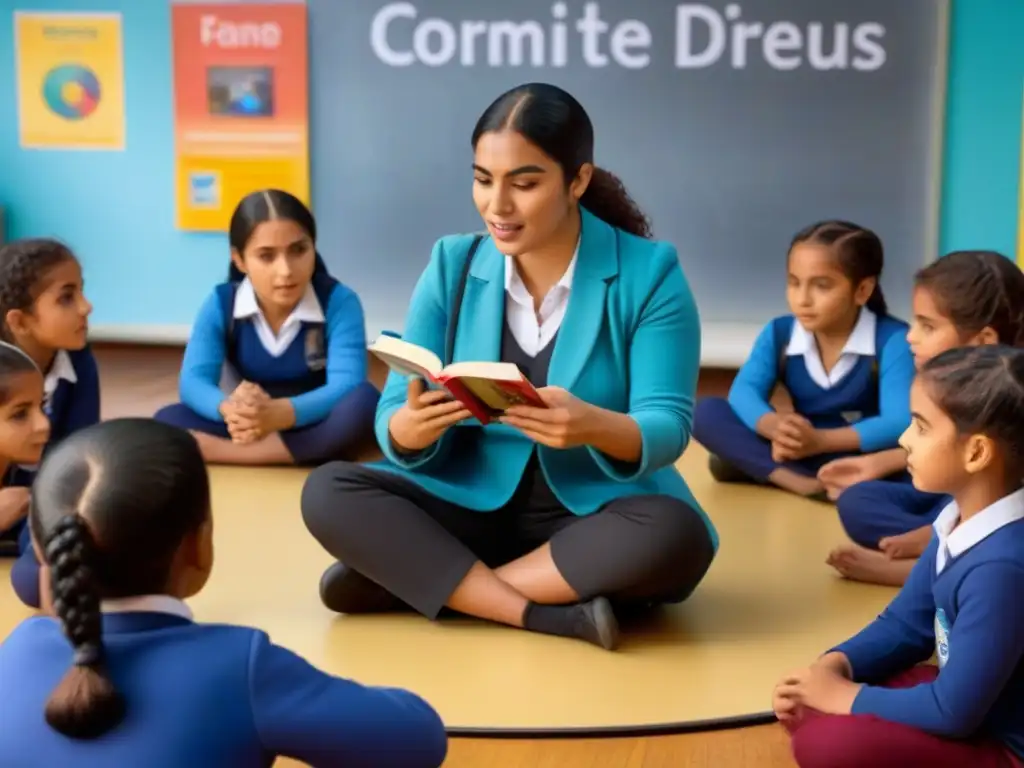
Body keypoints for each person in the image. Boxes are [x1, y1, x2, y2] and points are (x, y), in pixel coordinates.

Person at [301, 82, 718, 651]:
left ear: (578, 181)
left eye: (524, 183)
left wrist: (593, 425)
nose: (498, 205)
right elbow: (397, 406)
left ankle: (425, 584)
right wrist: (407, 429)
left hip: (588, 512)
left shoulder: (650, 275)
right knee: (327, 490)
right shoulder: (452, 263)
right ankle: (543, 613)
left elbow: (667, 425)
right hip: (468, 500)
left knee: (678, 536)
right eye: (482, 179)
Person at [0, 418, 449, 767]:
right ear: (199, 546)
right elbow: (419, 740)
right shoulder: (240, 665)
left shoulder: (15, 652)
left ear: (43, 552)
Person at [773, 344, 1024, 768]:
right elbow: (906, 624)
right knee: (814, 704)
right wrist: (836, 664)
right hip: (968, 701)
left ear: (977, 452)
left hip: (1004, 745)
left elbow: (953, 712)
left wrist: (842, 696)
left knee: (826, 744)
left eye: (921, 427)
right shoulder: (954, 518)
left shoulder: (1003, 568)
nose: (904, 439)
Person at [825, 251, 1024, 585]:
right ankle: (942, 551)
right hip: (955, 495)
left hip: (1004, 513)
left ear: (984, 341)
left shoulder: (1013, 392)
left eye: (928, 326)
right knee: (858, 500)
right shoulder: (944, 384)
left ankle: (927, 568)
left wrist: (928, 534)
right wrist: (882, 463)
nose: (910, 336)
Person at [691, 221, 915, 498]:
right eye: (794, 283)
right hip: (797, 448)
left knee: (913, 467)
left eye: (821, 286)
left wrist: (821, 441)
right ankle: (802, 483)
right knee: (703, 411)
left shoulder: (893, 340)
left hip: (861, 453)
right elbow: (744, 392)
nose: (803, 299)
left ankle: (767, 469)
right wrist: (775, 428)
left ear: (862, 290)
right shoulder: (779, 333)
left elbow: (899, 422)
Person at [154, 189, 379, 465]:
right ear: (239, 259)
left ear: (313, 246)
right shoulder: (220, 303)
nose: (285, 270)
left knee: (364, 404)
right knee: (166, 421)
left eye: (298, 250)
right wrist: (230, 409)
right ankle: (304, 452)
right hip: (250, 422)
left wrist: (281, 413)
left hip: (316, 417)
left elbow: (347, 385)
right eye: (266, 256)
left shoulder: (339, 301)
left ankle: (235, 454)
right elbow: (192, 383)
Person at [0, 238, 98, 608]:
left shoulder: (78, 359)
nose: (87, 308)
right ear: (19, 321)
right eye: (66, 297)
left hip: (43, 493)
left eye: (82, 292)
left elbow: (82, 451)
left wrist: (42, 499)